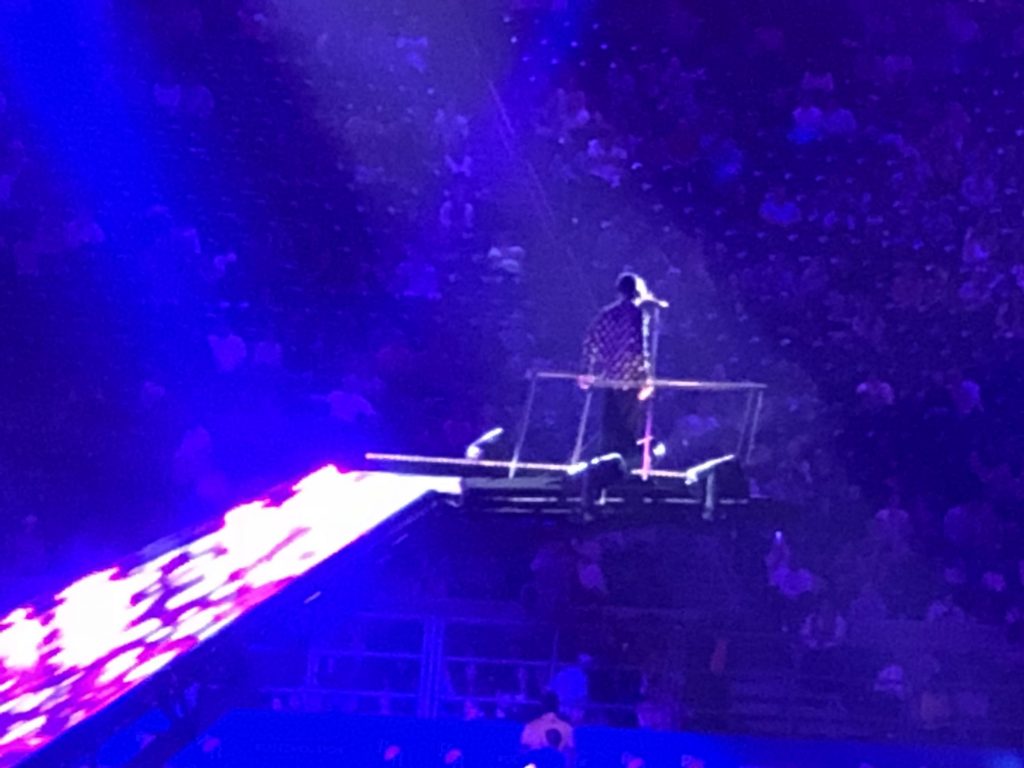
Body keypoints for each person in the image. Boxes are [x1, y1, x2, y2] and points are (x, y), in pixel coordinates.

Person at [579, 273, 663, 464]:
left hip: (610, 378)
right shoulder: (637, 313)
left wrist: (588, 369)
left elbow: (590, 339)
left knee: (610, 425)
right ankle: (623, 467)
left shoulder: (606, 314)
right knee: (628, 427)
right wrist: (646, 377)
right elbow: (640, 346)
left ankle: (606, 465)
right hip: (631, 379)